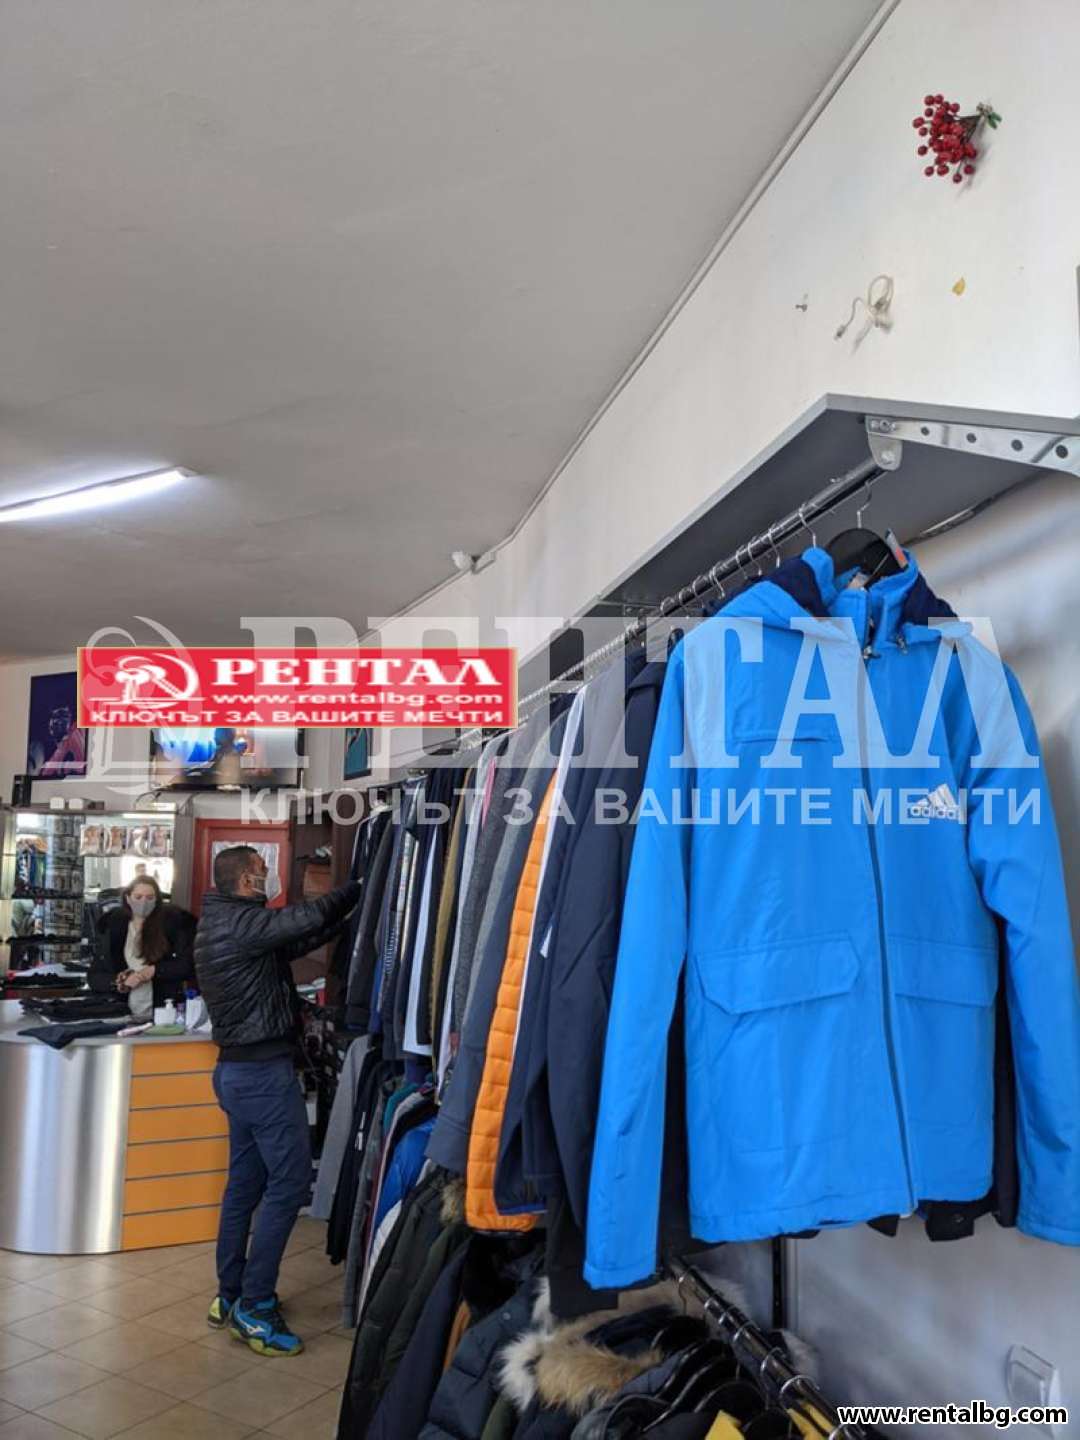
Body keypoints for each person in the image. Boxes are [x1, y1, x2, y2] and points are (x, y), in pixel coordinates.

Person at [194, 844, 360, 1356]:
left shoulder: (224, 923)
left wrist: (351, 918)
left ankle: (230, 1294)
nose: (270, 879)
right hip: (263, 1077)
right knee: (288, 1185)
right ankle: (256, 1306)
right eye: (264, 872)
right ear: (247, 880)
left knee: (244, 1186)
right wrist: (362, 883)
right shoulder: (242, 924)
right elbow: (302, 918)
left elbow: (299, 936)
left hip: (237, 1075)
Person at [89, 876, 195, 1018]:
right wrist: (118, 981)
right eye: (138, 897)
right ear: (128, 898)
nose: (143, 902)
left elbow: (187, 966)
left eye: (149, 897)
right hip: (120, 1012)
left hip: (162, 1011)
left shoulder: (173, 927)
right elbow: (95, 976)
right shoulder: (113, 929)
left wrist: (155, 970)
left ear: (157, 900)